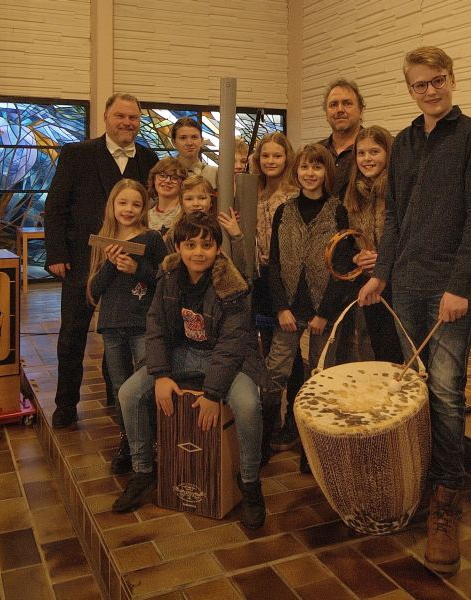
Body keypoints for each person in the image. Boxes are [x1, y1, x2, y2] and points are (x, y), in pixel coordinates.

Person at [358, 46, 471, 575]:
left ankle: (446, 498)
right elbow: (394, 217)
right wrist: (381, 274)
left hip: (449, 289)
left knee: (444, 391)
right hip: (408, 286)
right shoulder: (407, 141)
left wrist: (460, 285)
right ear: (410, 89)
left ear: (452, 80)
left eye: (438, 81)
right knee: (411, 386)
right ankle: (415, 474)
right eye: (420, 84)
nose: (430, 90)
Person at [113, 213, 268, 529]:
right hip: (181, 354)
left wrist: (213, 392)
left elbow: (232, 343)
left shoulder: (232, 286)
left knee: (249, 404)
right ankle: (143, 471)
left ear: (218, 250)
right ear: (178, 247)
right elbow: (155, 325)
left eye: (207, 245)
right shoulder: (168, 276)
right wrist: (160, 374)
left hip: (226, 359)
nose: (199, 252)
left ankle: (250, 484)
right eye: (191, 244)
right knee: (128, 393)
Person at [45, 92, 158, 429]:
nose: (127, 123)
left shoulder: (149, 157)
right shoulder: (77, 154)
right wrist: (56, 254)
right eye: (120, 116)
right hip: (82, 260)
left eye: (133, 118)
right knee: (72, 335)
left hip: (129, 266)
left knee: (120, 330)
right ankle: (66, 404)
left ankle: (117, 397)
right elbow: (55, 207)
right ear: (106, 118)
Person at [265, 143, 351, 472]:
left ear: (326, 172)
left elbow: (342, 267)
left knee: (320, 375)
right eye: (304, 167)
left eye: (317, 167)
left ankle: (311, 449)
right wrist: (281, 308)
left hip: (321, 311)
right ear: (296, 171)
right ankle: (264, 442)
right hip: (288, 309)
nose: (310, 173)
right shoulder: (283, 211)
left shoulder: (337, 211)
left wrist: (325, 313)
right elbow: (273, 263)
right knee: (276, 372)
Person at [86, 179, 167, 475]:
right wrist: (111, 264)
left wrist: (137, 269)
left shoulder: (152, 238)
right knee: (120, 388)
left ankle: (153, 441)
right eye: (123, 203)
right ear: (113, 205)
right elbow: (94, 290)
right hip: (112, 325)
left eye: (135, 203)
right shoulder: (103, 239)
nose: (129, 209)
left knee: (144, 386)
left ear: (144, 207)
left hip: (143, 324)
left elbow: (164, 279)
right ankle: (128, 441)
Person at [249, 133, 306, 461]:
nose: (271, 161)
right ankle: (277, 417)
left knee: (289, 354)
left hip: (283, 280)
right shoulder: (254, 189)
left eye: (277, 157)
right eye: (265, 156)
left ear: (287, 159)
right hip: (259, 279)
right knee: (268, 347)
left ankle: (290, 422)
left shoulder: (292, 194)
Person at [342, 125, 403, 364]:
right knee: (377, 349)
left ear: (388, 153)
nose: (367, 159)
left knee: (401, 349)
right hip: (368, 281)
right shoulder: (353, 195)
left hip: (398, 282)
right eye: (361, 153)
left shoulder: (397, 190)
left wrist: (386, 259)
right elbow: (344, 240)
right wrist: (356, 258)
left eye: (374, 152)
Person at [318, 79, 365, 198]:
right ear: (326, 114)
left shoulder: (382, 148)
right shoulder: (317, 151)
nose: (340, 110)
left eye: (347, 103)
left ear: (361, 110)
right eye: (333, 105)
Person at [171, 117, 218, 189]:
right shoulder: (165, 174)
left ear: (201, 141)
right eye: (183, 138)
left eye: (194, 137)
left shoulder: (214, 173)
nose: (189, 143)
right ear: (174, 142)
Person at [146, 157, 186, 234]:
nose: (167, 181)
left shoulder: (185, 212)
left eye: (175, 178)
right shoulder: (145, 214)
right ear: (154, 179)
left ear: (182, 183)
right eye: (162, 176)